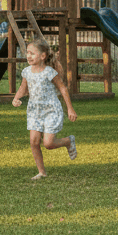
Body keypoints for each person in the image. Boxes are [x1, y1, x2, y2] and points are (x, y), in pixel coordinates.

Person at [11, 38, 77, 180]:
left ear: (42, 56)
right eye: (27, 53)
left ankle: (68, 141)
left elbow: (63, 89)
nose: (28, 56)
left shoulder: (49, 72)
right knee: (34, 142)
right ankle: (42, 172)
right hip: (34, 111)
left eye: (32, 53)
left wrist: (70, 109)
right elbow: (23, 88)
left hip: (51, 110)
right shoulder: (26, 72)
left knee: (48, 143)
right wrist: (16, 98)